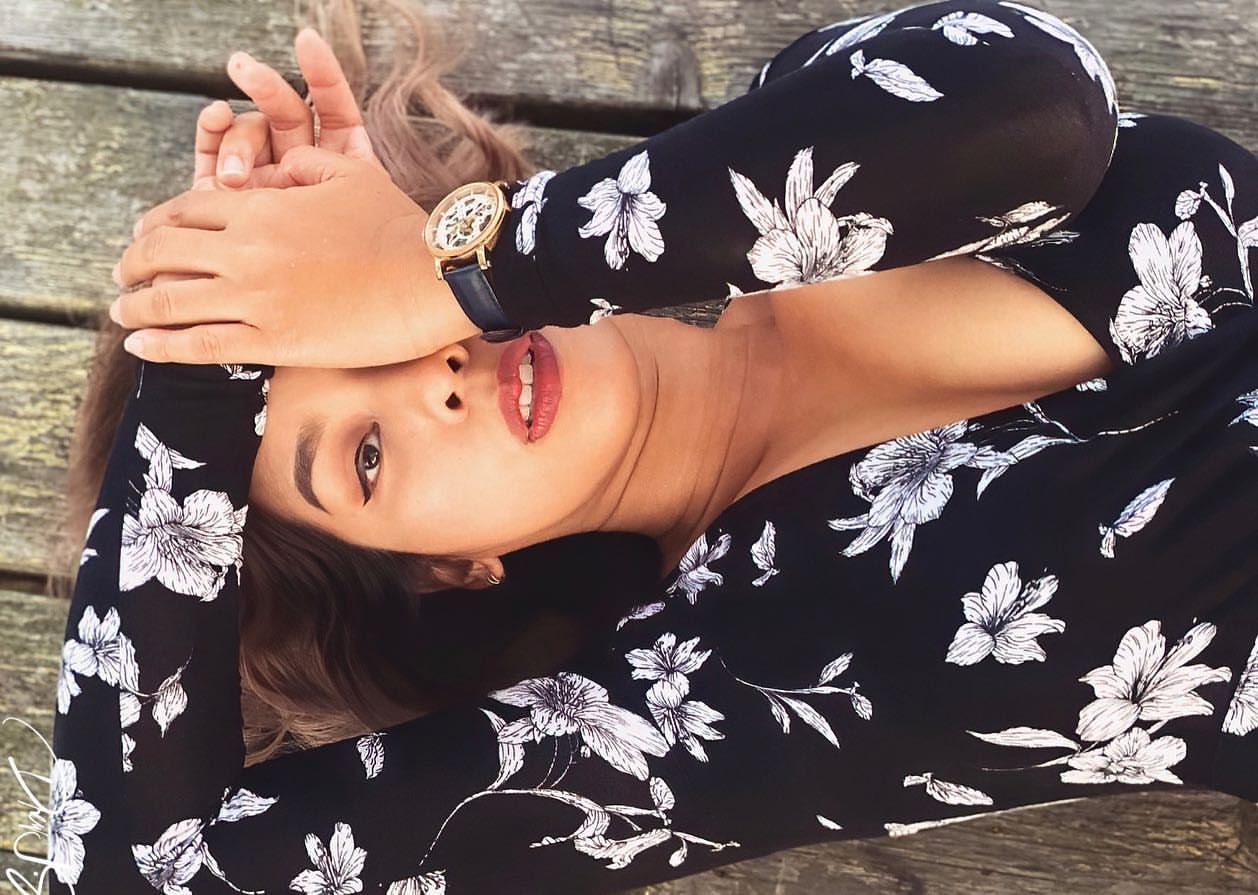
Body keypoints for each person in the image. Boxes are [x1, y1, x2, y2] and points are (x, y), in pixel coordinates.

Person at [47, 1, 1258, 893]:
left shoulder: (814, 146)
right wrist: (194, 375)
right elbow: (138, 874)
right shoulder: (700, 697)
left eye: (379, 334)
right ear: (450, 567)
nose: (436, 376)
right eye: (365, 454)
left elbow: (1036, 102)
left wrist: (453, 272)